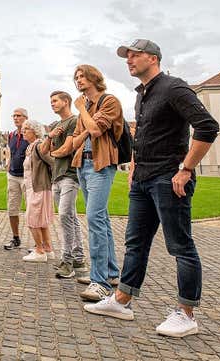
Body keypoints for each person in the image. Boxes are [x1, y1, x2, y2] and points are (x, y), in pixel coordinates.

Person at [84, 39, 219, 338]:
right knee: (135, 243)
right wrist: (134, 165)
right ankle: (122, 300)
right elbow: (144, 135)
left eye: (135, 55)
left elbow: (207, 126)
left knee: (180, 246)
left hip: (168, 178)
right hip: (143, 179)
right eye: (126, 56)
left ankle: (186, 314)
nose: (129, 60)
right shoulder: (142, 94)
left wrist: (186, 169)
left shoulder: (174, 87)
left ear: (154, 58)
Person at [69, 67, 123, 301]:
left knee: (94, 219)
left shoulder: (109, 101)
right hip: (84, 165)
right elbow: (78, 137)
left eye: (82, 76)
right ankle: (110, 273)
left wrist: (81, 109)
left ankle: (99, 281)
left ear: (94, 79)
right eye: (76, 77)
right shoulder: (89, 108)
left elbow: (94, 129)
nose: (78, 80)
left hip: (101, 165)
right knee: (101, 219)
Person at [38, 91, 84, 277]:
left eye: (55, 101)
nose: (52, 104)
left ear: (66, 102)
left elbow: (67, 149)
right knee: (70, 216)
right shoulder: (56, 125)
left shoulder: (74, 121)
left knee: (65, 215)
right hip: (56, 177)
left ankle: (67, 261)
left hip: (70, 175)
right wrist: (50, 137)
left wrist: (54, 151)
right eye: (51, 101)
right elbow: (42, 151)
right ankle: (79, 257)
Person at [20, 120, 55, 262]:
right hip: (33, 188)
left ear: (35, 131)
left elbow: (53, 161)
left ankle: (40, 251)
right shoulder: (31, 147)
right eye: (23, 128)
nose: (24, 131)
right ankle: (48, 249)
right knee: (41, 220)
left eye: (26, 129)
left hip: (39, 187)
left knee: (32, 219)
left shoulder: (39, 146)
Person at [3, 108, 29, 250]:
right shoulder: (11, 135)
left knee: (32, 210)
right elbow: (10, 152)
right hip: (13, 176)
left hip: (26, 177)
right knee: (12, 209)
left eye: (18, 116)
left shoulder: (30, 134)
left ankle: (39, 243)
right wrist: (8, 166)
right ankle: (16, 238)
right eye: (14, 116)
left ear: (26, 117)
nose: (15, 118)